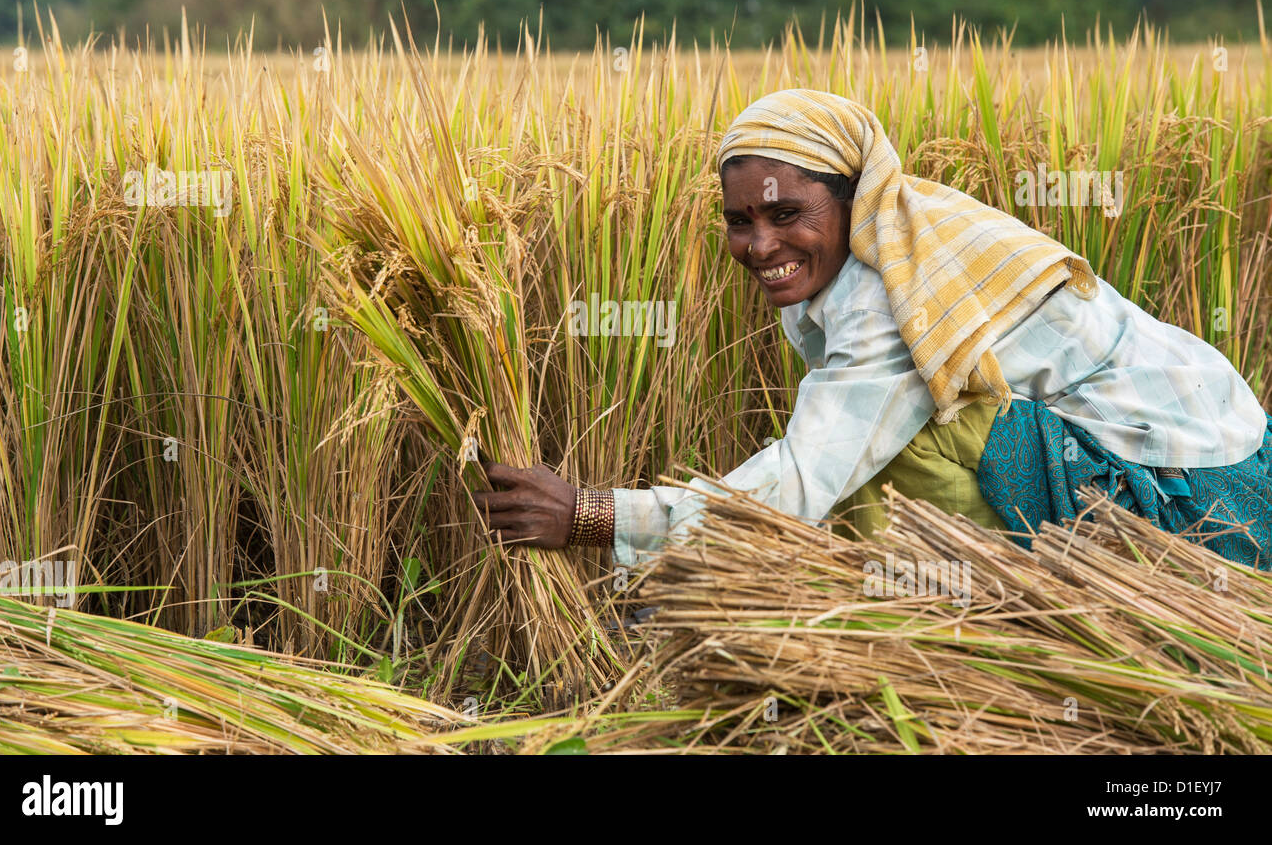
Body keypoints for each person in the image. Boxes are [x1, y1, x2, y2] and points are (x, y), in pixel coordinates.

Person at [475, 89, 1272, 571]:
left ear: (853, 197)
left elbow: (799, 482)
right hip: (1218, 453)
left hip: (1202, 506)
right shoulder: (895, 233)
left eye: (787, 214)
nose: (760, 245)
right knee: (881, 437)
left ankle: (934, 620)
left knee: (899, 446)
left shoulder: (895, 295)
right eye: (739, 220)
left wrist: (592, 512)